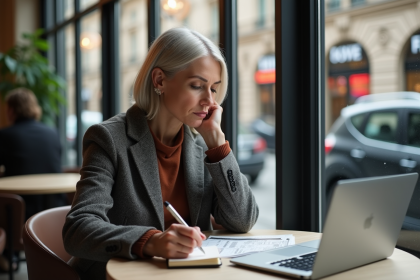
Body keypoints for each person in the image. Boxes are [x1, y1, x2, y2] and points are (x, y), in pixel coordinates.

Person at [63, 27, 259, 280]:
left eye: (213, 88)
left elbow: (242, 220)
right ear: (159, 81)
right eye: (197, 85)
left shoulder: (202, 147)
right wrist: (151, 241)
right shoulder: (109, 139)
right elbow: (77, 230)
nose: (210, 102)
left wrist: (218, 146)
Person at [0, 88, 66, 220]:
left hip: (18, 210)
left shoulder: (5, 135)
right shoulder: (52, 133)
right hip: (55, 207)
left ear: (11, 110)